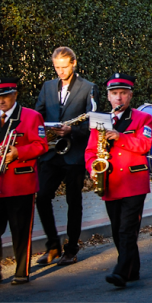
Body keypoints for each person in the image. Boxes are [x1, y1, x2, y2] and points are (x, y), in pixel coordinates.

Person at [0, 77, 48, 285]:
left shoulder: (31, 117)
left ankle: (21, 271)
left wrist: (19, 152)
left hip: (20, 183)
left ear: (15, 94)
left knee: (20, 229)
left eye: (5, 96)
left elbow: (41, 145)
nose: (1, 101)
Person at [85, 73, 152, 288]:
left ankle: (121, 271)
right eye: (115, 94)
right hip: (110, 181)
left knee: (127, 229)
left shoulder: (143, 118)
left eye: (123, 93)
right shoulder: (99, 119)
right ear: (108, 97)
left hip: (133, 181)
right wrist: (93, 170)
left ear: (130, 96)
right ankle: (133, 269)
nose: (119, 98)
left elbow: (145, 145)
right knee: (117, 229)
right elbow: (89, 151)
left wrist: (120, 137)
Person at [35, 47, 99, 266]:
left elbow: (93, 123)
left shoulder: (89, 88)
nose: (60, 71)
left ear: (74, 63)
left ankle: (71, 249)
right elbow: (37, 116)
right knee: (42, 196)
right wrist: (47, 131)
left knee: (74, 201)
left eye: (64, 67)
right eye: (57, 67)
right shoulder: (47, 87)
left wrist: (73, 131)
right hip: (52, 153)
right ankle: (53, 244)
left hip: (74, 153)